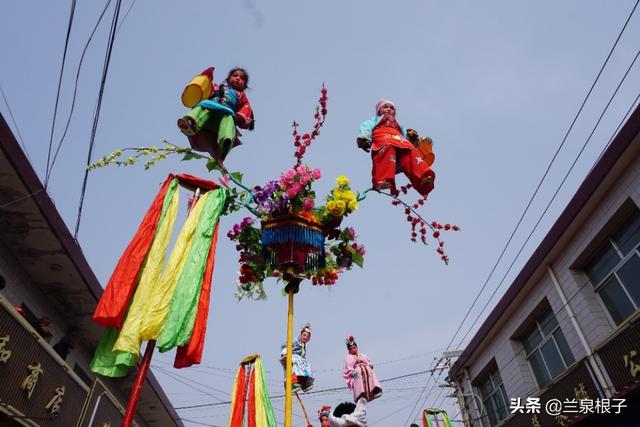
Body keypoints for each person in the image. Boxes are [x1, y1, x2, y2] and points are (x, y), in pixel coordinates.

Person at [357, 100, 435, 196]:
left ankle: (423, 178)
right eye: (385, 107)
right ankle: (383, 181)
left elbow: (404, 135)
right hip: (383, 139)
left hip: (400, 141)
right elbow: (366, 128)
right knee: (387, 149)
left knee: (410, 152)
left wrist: (412, 137)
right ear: (379, 110)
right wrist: (364, 139)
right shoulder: (373, 120)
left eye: (391, 108)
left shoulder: (399, 125)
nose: (389, 109)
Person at [177, 67, 254, 162]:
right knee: (202, 106)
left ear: (245, 86)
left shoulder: (241, 96)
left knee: (229, 120)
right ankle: (191, 123)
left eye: (242, 78)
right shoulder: (218, 88)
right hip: (211, 109)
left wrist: (241, 118)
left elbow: (246, 108)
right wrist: (207, 77)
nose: (238, 78)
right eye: (235, 76)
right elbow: (206, 88)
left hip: (226, 113)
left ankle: (225, 142)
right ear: (228, 79)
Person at [342, 336, 382, 402]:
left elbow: (368, 362)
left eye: (354, 348)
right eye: (351, 349)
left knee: (371, 374)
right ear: (348, 350)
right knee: (359, 378)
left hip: (366, 369)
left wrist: (369, 365)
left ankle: (375, 390)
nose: (353, 349)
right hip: (357, 372)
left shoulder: (363, 355)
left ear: (357, 348)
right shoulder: (348, 357)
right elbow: (349, 368)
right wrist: (352, 373)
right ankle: (361, 394)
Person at [280, 323, 314, 392]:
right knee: (296, 365)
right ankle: (293, 381)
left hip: (299, 360)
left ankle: (304, 382)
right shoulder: (295, 341)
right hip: (291, 358)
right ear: (300, 335)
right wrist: (285, 353)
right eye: (304, 335)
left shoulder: (303, 345)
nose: (305, 337)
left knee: (306, 366)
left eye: (307, 337)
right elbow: (285, 345)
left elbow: (303, 355)